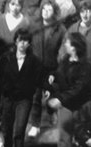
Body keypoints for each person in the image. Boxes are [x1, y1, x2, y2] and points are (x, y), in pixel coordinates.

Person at [45, 32, 91, 147]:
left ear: (74, 47)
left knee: (84, 135)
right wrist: (53, 76)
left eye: (67, 43)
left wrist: (60, 99)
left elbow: (78, 89)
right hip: (67, 104)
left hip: (82, 106)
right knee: (63, 135)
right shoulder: (66, 59)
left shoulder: (86, 67)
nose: (65, 45)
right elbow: (60, 73)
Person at [0, 28, 43, 147]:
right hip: (8, 98)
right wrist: (0, 98)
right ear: (15, 41)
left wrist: (44, 88)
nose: (23, 44)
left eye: (26, 41)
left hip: (24, 99)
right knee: (6, 129)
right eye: (20, 40)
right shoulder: (5, 58)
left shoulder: (34, 61)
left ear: (29, 44)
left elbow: (39, 79)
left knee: (19, 130)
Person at [29, 0, 67, 137]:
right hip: (35, 68)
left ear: (55, 12)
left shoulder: (60, 29)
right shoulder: (34, 27)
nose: (45, 12)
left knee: (51, 93)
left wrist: (55, 72)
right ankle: (35, 124)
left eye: (49, 9)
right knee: (36, 95)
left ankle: (51, 113)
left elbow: (63, 52)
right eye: (43, 9)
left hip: (52, 68)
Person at [66, 0, 91, 81]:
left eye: (88, 11)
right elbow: (64, 49)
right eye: (82, 11)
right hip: (74, 74)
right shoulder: (73, 28)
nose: (84, 14)